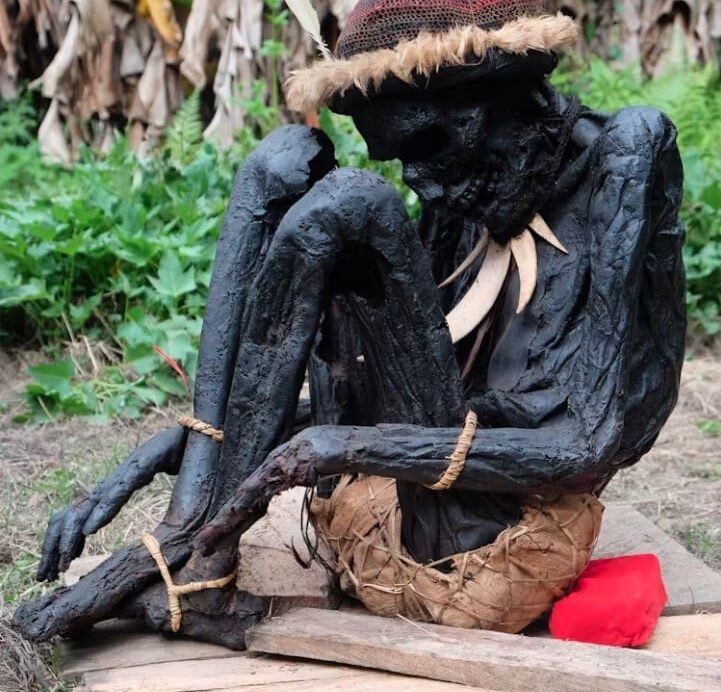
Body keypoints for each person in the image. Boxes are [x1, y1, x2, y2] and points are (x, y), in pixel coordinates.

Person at [13, 0, 685, 648]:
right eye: (405, 161)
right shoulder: (467, 189)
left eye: (431, 145)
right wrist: (170, 452)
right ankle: (188, 525)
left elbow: (587, 446)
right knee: (283, 159)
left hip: (492, 537)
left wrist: (341, 448)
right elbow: (405, 386)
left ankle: (191, 545)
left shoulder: (622, 156)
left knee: (353, 202)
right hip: (407, 497)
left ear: (520, 96)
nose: (426, 187)